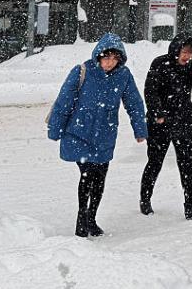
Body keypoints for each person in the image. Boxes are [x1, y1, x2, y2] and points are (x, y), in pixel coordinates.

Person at [47, 33, 147, 237]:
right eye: (106, 57)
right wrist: (55, 128)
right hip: (79, 134)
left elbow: (134, 104)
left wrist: (140, 129)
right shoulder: (82, 71)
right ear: (98, 56)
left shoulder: (124, 75)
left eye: (114, 58)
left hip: (105, 136)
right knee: (87, 176)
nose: (109, 62)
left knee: (100, 179)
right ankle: (81, 221)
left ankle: (91, 219)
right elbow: (63, 101)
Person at [140, 33, 192, 219]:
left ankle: (190, 203)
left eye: (191, 53)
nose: (187, 55)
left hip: (183, 120)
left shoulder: (191, 67)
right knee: (155, 161)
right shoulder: (160, 63)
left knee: (186, 163)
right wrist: (157, 113)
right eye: (184, 51)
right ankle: (145, 199)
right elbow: (150, 91)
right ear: (176, 48)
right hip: (160, 122)